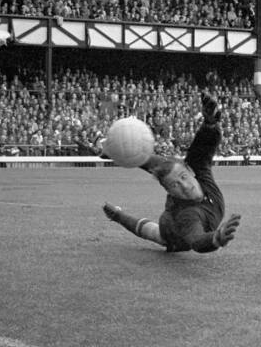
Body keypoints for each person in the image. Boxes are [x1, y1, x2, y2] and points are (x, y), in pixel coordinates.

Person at [103, 92, 241, 253]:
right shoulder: (187, 216)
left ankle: (118, 212)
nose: (184, 185)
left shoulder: (198, 172)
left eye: (183, 178)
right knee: (157, 234)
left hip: (186, 187)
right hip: (174, 232)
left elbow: (201, 151)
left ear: (191, 171)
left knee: (165, 165)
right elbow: (196, 240)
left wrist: (210, 125)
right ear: (169, 191)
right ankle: (118, 216)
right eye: (175, 185)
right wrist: (216, 239)